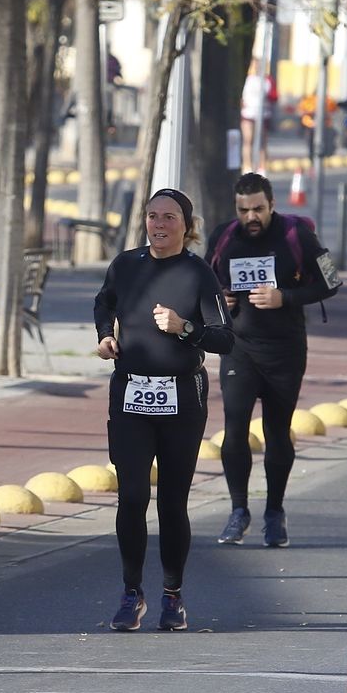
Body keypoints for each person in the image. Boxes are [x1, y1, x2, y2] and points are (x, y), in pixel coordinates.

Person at [95, 189, 235, 632]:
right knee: (133, 496)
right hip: (131, 395)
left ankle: (172, 595)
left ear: (186, 226)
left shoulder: (198, 273)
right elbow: (104, 302)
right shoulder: (125, 265)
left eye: (169, 217)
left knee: (173, 502)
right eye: (152, 216)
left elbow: (225, 337)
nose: (159, 224)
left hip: (182, 400)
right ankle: (131, 591)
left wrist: (184, 327)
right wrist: (105, 335)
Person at [207, 173, 340, 548]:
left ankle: (274, 512)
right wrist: (219, 299)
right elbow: (205, 283)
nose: (251, 217)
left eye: (258, 209)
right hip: (239, 348)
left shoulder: (296, 235)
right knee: (234, 428)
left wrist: (286, 297)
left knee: (277, 432)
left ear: (272, 205)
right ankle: (238, 511)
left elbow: (331, 281)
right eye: (243, 210)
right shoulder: (223, 236)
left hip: (285, 350)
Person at [239, 60, 276, 174]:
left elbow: (274, 96)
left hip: (263, 115)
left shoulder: (267, 80)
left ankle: (262, 167)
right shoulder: (247, 79)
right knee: (248, 140)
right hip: (248, 114)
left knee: (262, 142)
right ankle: (247, 166)